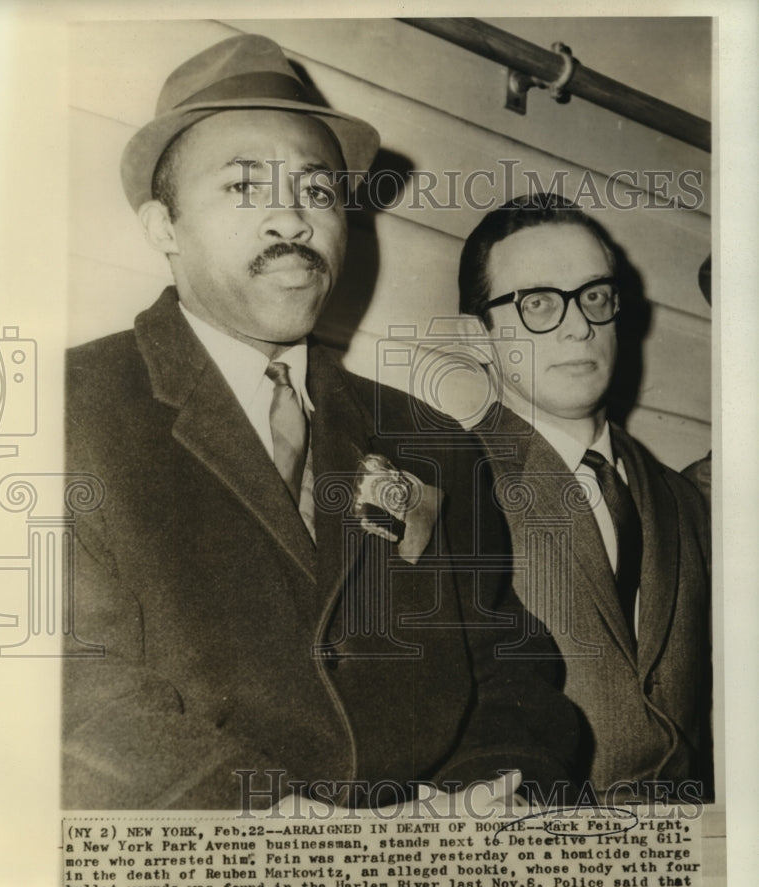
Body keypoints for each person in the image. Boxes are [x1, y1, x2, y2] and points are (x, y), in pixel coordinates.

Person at [63, 35, 579, 809]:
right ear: (163, 228)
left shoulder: (435, 442)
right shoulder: (67, 407)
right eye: (244, 188)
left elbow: (510, 665)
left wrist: (495, 785)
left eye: (317, 190)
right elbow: (64, 680)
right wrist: (268, 817)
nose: (293, 221)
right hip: (210, 878)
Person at [459, 194, 712, 798]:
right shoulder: (450, 490)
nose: (579, 324)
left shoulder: (682, 502)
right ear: (479, 337)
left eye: (595, 295)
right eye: (538, 302)